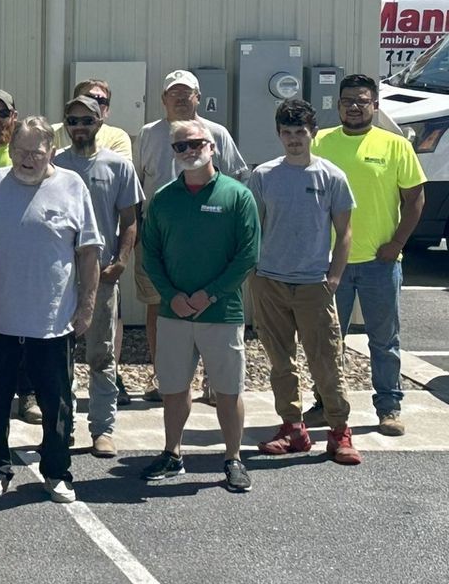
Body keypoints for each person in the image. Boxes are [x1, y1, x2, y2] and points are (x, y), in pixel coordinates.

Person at [0, 116, 100, 504]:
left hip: (52, 322)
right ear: (10, 150)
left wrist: (87, 305)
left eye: (37, 153)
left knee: (56, 404)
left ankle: (57, 473)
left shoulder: (72, 186)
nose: (28, 159)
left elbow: (89, 252)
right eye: (21, 151)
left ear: (51, 152)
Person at [138, 117, 260, 492]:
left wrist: (210, 294)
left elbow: (247, 255)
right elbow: (151, 255)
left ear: (213, 147)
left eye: (196, 143)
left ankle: (233, 458)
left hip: (221, 313)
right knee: (174, 389)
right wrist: (171, 295)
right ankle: (172, 453)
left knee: (228, 390)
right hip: (174, 312)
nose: (190, 151)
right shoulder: (163, 199)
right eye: (181, 146)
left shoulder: (237, 196)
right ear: (173, 152)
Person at [313, 73, 426, 437]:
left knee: (384, 340)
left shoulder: (395, 145)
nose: (354, 107)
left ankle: (389, 407)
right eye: (348, 101)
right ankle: (326, 404)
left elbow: (415, 199)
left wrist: (397, 244)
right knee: (328, 339)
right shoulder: (319, 142)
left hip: (381, 262)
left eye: (362, 101)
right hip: (332, 263)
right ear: (338, 105)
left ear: (375, 106)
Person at [247, 99, 359, 465]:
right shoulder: (264, 175)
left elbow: (344, 232)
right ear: (279, 134)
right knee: (281, 362)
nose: (294, 139)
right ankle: (292, 428)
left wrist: (334, 277)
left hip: (314, 284)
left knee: (326, 361)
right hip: (270, 282)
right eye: (287, 132)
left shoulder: (331, 176)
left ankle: (339, 432)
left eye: (300, 132)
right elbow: (253, 227)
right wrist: (254, 274)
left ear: (312, 133)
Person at [134, 71, 247, 402]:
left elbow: (238, 180)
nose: (181, 99)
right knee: (158, 306)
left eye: (188, 93)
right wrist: (138, 234)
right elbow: (136, 186)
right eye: (174, 93)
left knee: (211, 306)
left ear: (199, 97)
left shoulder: (217, 133)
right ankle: (164, 376)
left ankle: (214, 381)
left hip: (212, 242)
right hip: (159, 240)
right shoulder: (148, 134)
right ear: (163, 99)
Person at [54, 95, 141, 458]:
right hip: (60, 278)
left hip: (102, 277)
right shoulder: (55, 164)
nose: (79, 127)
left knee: (101, 355)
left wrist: (121, 260)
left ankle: (102, 429)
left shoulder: (118, 166)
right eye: (72, 121)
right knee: (59, 357)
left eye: (86, 121)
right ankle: (62, 427)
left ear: (100, 122)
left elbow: (130, 219)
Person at [54, 78, 133, 157]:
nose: (94, 103)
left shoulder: (117, 137)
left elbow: (118, 164)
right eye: (88, 98)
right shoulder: (53, 133)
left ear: (107, 109)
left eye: (101, 100)